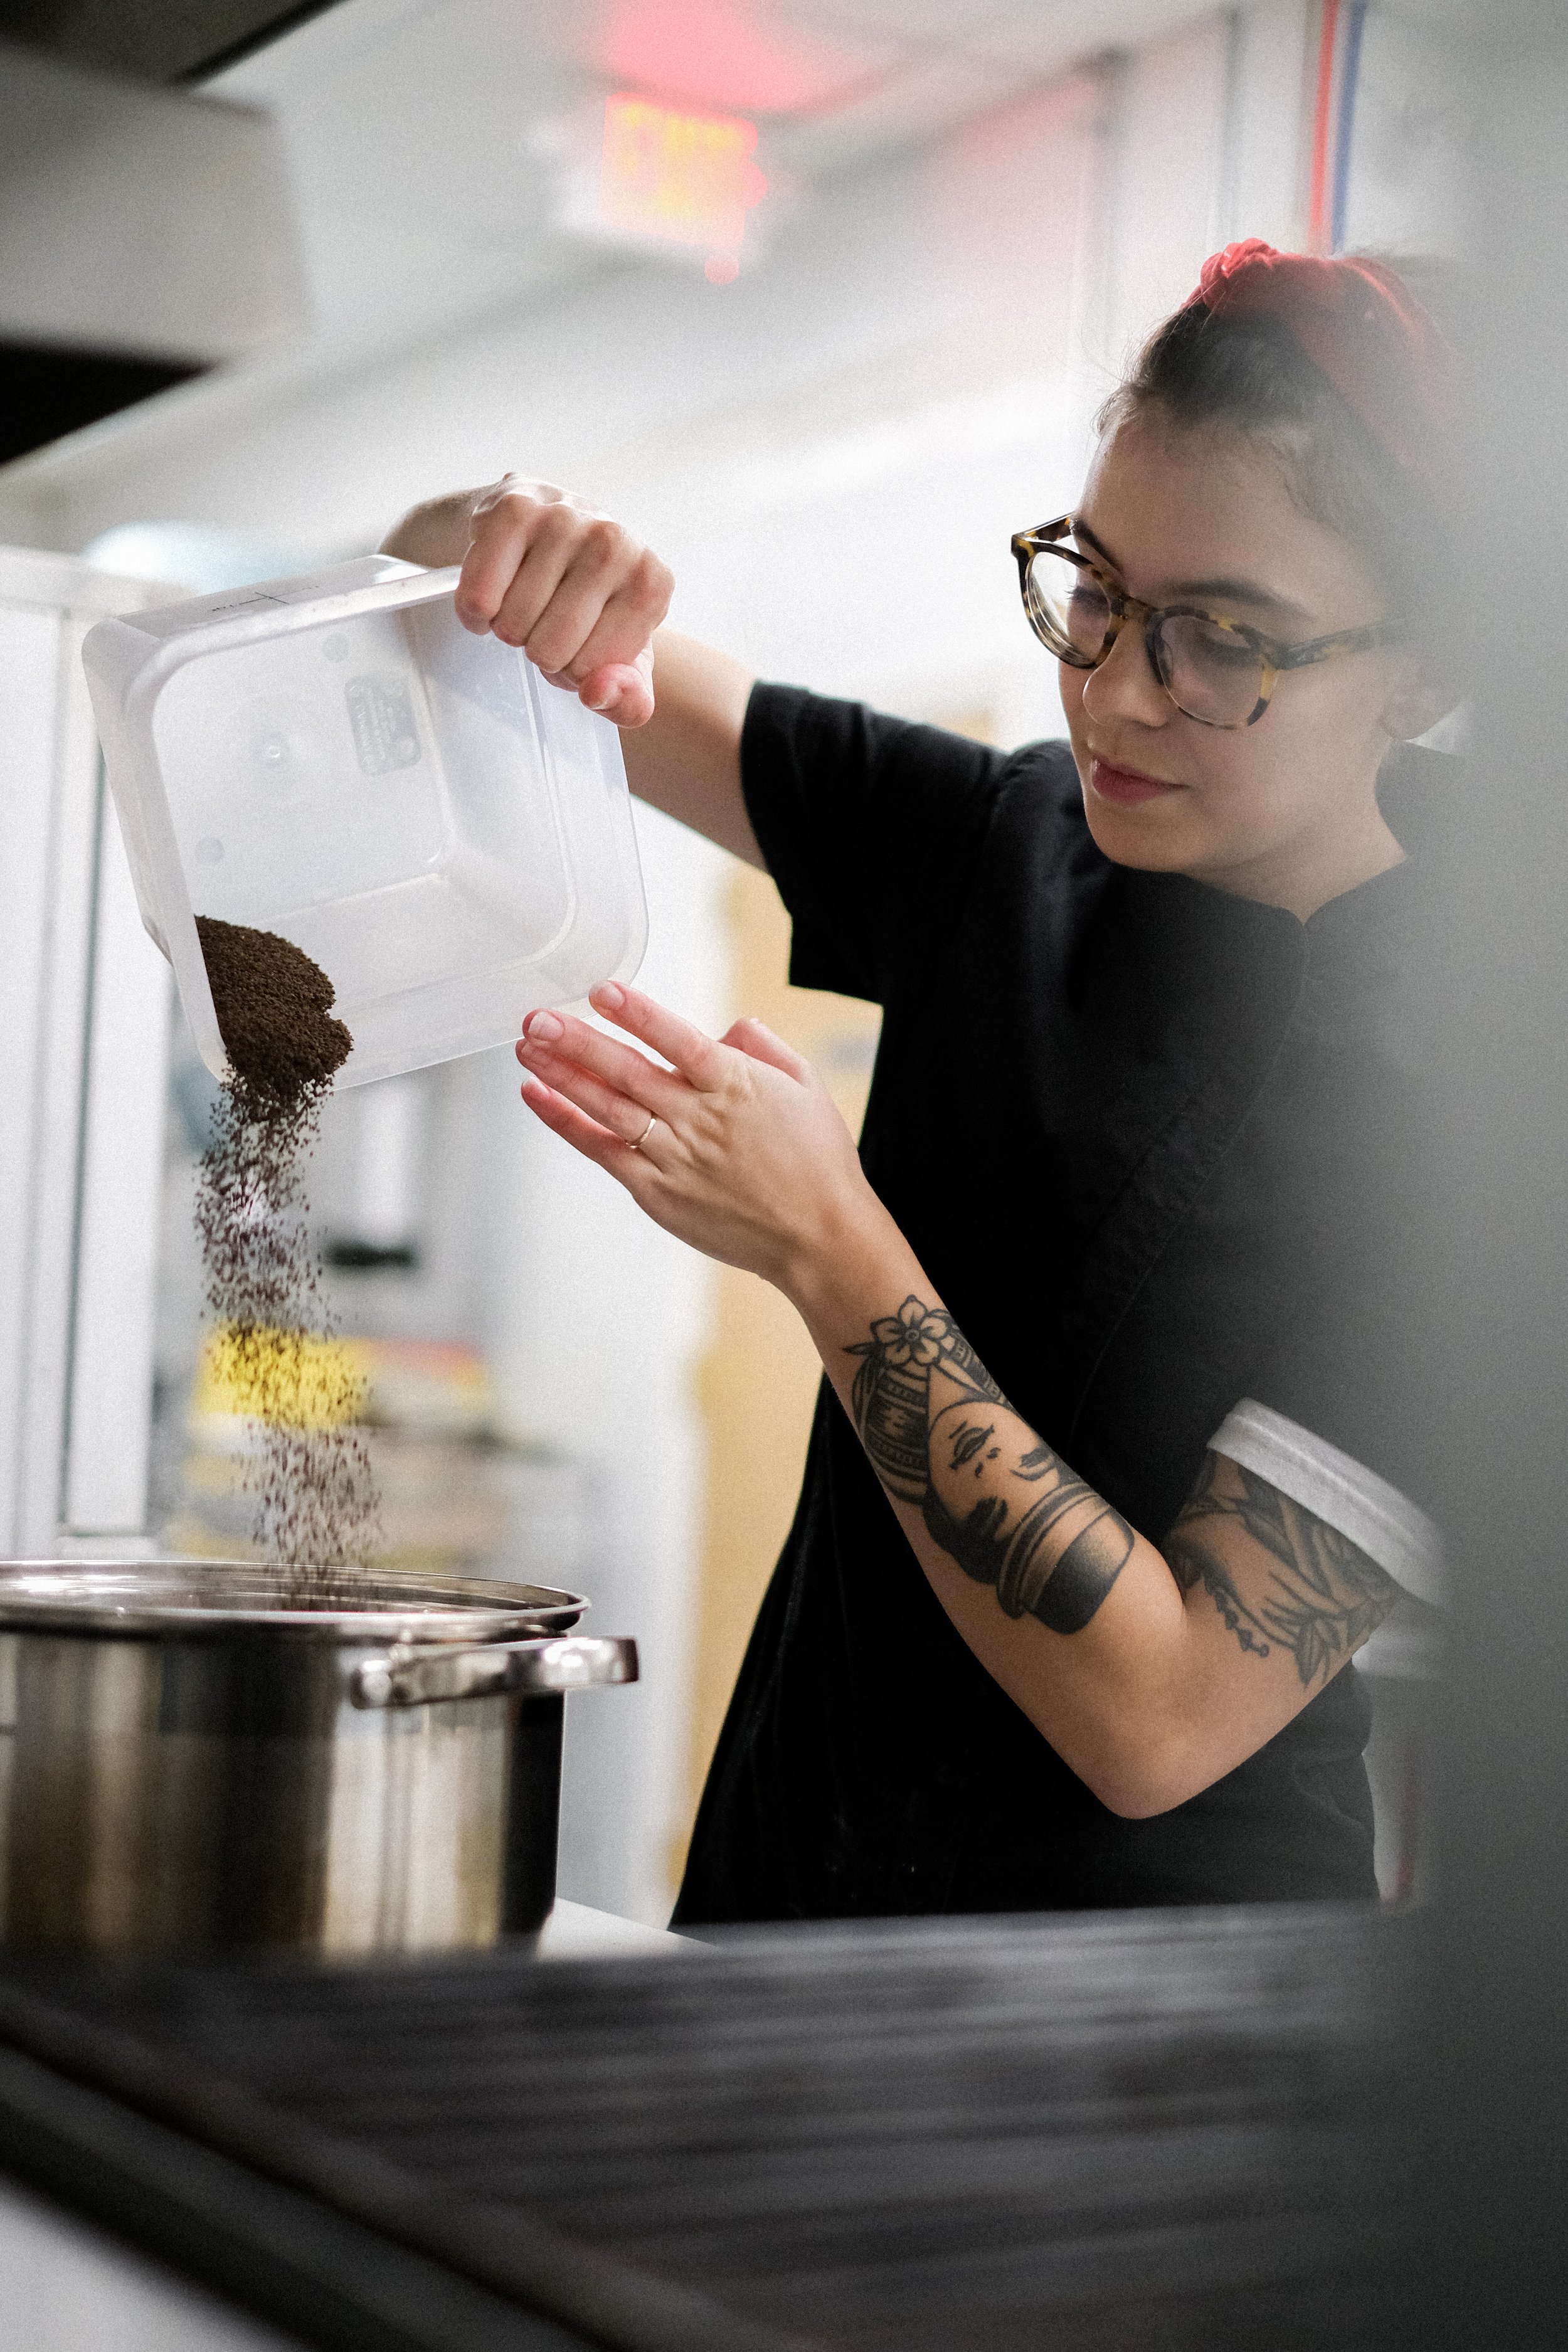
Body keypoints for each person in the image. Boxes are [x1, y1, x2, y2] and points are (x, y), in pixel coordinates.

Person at [383, 240, 1455, 1920]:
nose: (1113, 690)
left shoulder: (1477, 1124)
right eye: (1092, 590)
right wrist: (518, 541)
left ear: (1428, 671)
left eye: (1221, 639)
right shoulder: (1009, 849)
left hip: (1148, 2005)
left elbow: (1161, 1718)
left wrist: (830, 1247)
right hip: (792, 1916)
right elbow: (448, 591)